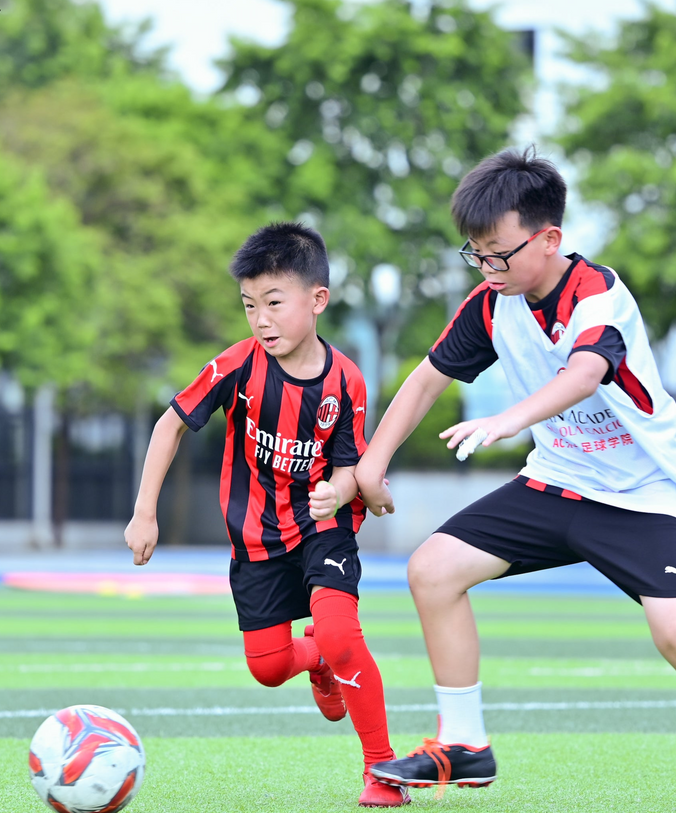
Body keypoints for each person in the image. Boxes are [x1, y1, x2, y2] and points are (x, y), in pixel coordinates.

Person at [355, 148, 676, 811]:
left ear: (549, 238)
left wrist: (507, 419)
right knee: (431, 568)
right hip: (556, 482)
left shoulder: (596, 295)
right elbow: (427, 376)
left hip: (641, 494)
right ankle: (464, 742)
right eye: (475, 254)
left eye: (498, 253)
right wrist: (371, 463)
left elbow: (584, 372)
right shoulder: (491, 301)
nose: (487, 268)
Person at [123, 222, 407, 808]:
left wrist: (342, 487)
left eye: (274, 303)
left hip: (325, 527)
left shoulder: (346, 379)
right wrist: (143, 511)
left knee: (339, 630)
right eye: (250, 306)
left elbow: (355, 462)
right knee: (270, 667)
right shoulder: (237, 365)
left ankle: (382, 771)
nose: (261, 319)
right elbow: (169, 423)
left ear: (317, 300)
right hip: (254, 538)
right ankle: (319, 663)